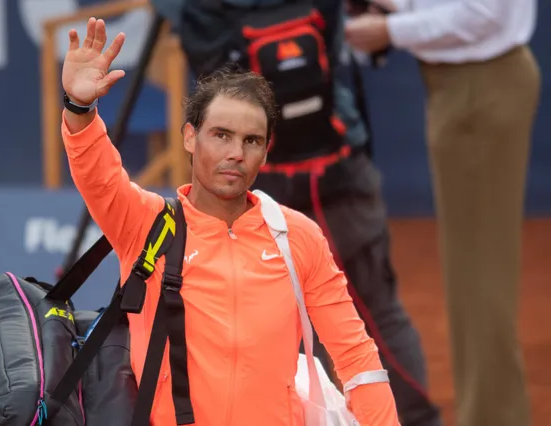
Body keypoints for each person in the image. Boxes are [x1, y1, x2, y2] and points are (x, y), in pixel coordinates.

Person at [60, 17, 400, 426]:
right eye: (221, 135)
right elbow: (97, 173)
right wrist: (80, 108)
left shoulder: (299, 237)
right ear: (190, 137)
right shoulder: (145, 222)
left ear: (265, 152)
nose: (236, 153)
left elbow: (355, 356)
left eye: (251, 140)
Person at [158, 0, 442, 424]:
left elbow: (193, 40)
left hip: (251, 179)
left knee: (266, 321)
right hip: (332, 159)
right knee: (376, 315)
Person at [344, 1, 540, 426]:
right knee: (473, 275)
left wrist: (392, 31)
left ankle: (495, 417)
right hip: (464, 87)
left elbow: (483, 14)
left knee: (481, 277)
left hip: (480, 85)